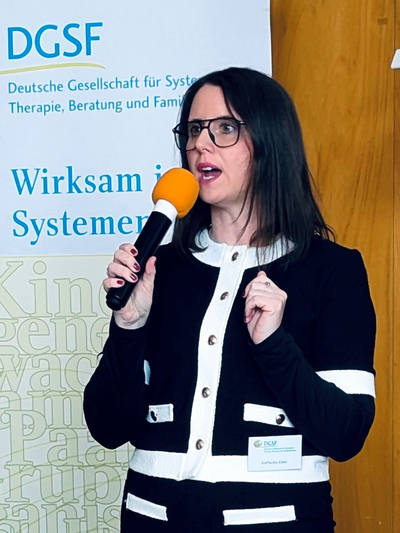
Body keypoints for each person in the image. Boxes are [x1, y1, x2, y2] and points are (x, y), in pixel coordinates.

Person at [83, 67, 376, 532]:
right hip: (151, 517)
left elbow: (345, 433)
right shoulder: (161, 270)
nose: (201, 144)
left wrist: (274, 345)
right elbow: (107, 427)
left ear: (270, 142)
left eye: (224, 128)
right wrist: (129, 326)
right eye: (193, 130)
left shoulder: (331, 270)